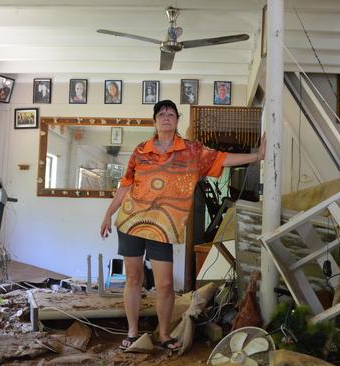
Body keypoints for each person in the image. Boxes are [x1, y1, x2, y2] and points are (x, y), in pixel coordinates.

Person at [100, 100, 265, 352]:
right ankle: (133, 332)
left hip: (164, 227)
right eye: (161, 114)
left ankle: (164, 334)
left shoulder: (192, 151)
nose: (166, 117)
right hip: (131, 221)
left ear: (177, 120)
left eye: (171, 114)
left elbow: (222, 158)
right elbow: (125, 184)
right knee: (134, 278)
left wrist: (257, 156)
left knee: (164, 284)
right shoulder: (141, 150)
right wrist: (108, 213)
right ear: (155, 121)